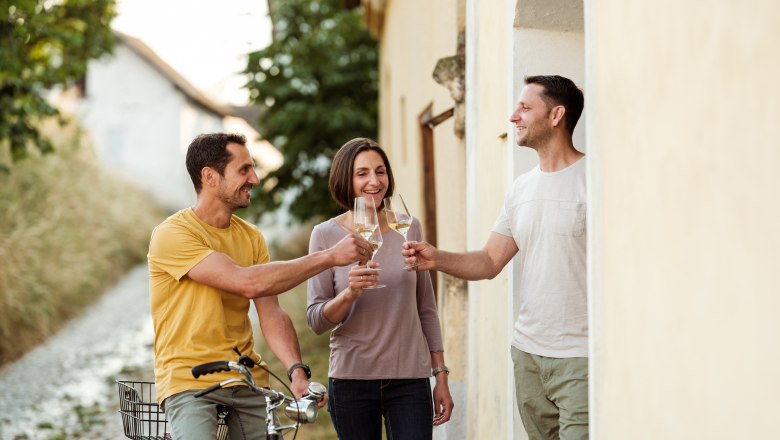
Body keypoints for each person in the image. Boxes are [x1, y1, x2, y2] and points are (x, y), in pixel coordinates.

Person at [147, 133, 373, 440]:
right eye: (244, 170)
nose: (254, 178)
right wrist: (330, 256)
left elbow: (271, 313)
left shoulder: (251, 237)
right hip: (190, 382)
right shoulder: (172, 234)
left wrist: (296, 370)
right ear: (210, 177)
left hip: (245, 379)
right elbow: (247, 282)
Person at [403, 75, 587, 440]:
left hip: (581, 359)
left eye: (524, 107)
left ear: (556, 115)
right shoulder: (521, 188)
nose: (513, 116)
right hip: (528, 356)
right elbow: (489, 261)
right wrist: (434, 258)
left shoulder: (593, 179)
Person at [306, 137, 454, 439]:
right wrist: (349, 294)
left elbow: (425, 307)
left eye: (380, 171)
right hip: (351, 380)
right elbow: (316, 320)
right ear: (345, 180)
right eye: (362, 173)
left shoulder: (408, 226)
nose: (374, 181)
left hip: (410, 379)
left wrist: (440, 375)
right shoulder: (324, 235)